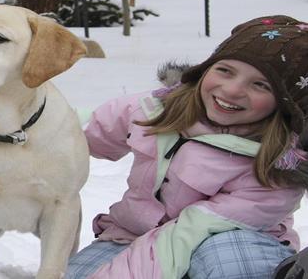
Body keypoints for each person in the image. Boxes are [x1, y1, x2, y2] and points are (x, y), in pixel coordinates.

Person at [67, 15, 308, 279]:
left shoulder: (280, 163)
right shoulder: (154, 108)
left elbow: (190, 231)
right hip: (130, 236)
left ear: (286, 101)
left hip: (232, 243)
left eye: (260, 85)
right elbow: (71, 133)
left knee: (235, 265)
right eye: (224, 70)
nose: (232, 90)